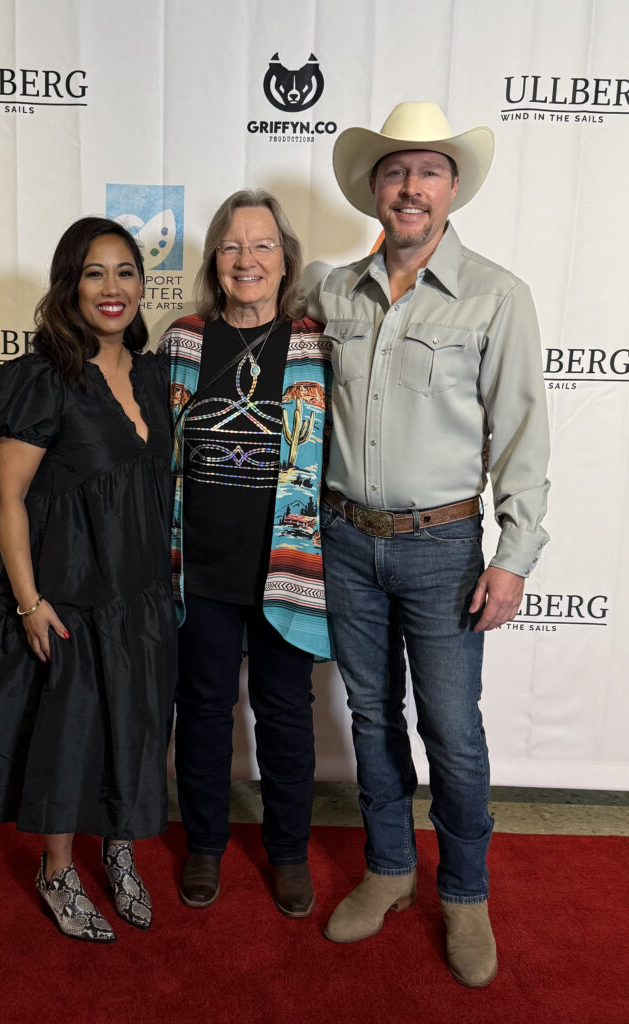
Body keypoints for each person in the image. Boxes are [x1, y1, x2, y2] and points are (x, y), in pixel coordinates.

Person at [314, 102, 550, 985]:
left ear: (452, 190)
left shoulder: (497, 295)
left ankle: (464, 892)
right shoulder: (332, 290)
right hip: (344, 542)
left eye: (428, 172)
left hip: (444, 548)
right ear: (375, 189)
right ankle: (387, 869)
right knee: (372, 718)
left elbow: (523, 435)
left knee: (450, 731)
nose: (410, 187)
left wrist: (514, 556)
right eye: (396, 172)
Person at [0, 217, 176, 944]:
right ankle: (56, 871)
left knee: (134, 732)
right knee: (68, 739)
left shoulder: (151, 372)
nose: (113, 289)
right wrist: (29, 602)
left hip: (140, 597)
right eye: (94, 273)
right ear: (69, 285)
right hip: (70, 598)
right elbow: (6, 497)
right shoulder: (41, 379)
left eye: (125, 272)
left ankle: (118, 848)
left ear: (143, 283)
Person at [158, 189, 332, 918]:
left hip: (287, 567)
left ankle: (288, 853)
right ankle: (204, 843)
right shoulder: (184, 340)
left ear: (285, 257)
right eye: (232, 247)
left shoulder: (314, 343)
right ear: (215, 261)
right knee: (201, 711)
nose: (247, 259)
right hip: (199, 568)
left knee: (286, 714)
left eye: (262, 245)